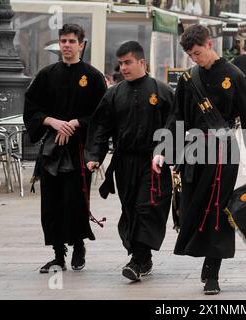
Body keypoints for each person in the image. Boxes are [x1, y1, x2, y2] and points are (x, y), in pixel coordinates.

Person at [152, 24, 246, 295]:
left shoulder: (234, 75)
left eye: (197, 52)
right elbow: (176, 118)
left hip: (223, 152)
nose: (195, 58)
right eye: (190, 55)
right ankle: (202, 255)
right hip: (194, 152)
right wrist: (162, 150)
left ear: (209, 44)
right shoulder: (187, 79)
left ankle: (213, 270)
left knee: (218, 210)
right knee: (193, 207)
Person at [85, 41, 174, 282]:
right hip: (124, 163)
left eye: (128, 63)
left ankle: (138, 260)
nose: (123, 68)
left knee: (147, 208)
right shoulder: (113, 94)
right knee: (130, 209)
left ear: (142, 62)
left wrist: (165, 152)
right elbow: (101, 127)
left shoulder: (162, 91)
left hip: (153, 163)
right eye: (121, 63)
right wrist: (94, 156)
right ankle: (141, 257)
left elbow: (174, 124)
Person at [23, 24, 107, 273]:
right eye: (63, 41)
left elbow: (102, 116)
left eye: (72, 41)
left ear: (82, 44)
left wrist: (76, 123)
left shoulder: (93, 77)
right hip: (51, 150)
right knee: (51, 203)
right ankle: (58, 254)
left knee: (75, 200)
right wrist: (51, 121)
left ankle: (79, 245)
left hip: (79, 150)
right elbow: (31, 109)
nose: (67, 45)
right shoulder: (46, 75)